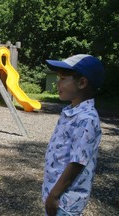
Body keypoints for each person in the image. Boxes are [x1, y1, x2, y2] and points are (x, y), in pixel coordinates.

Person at [42, 54, 105, 216]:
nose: (58, 83)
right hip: (55, 194)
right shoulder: (72, 111)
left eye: (63, 78)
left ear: (82, 83)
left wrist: (54, 195)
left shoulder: (87, 118)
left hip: (65, 201)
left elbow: (78, 161)